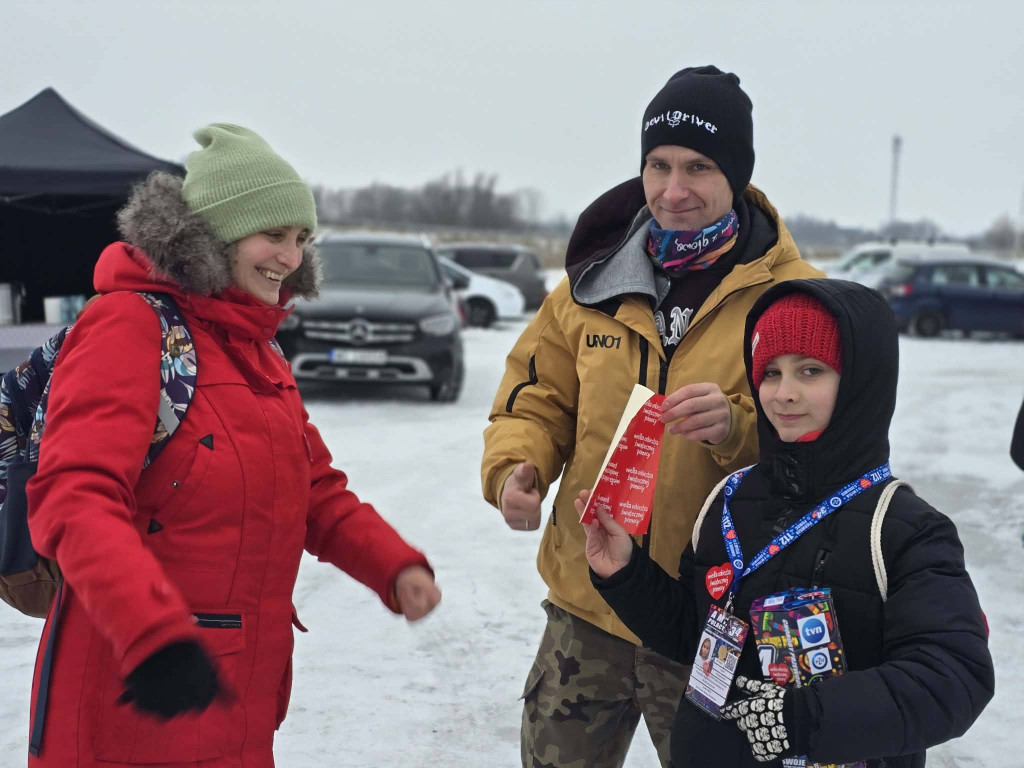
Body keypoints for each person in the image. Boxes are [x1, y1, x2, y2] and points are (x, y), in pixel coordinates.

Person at [24, 124, 441, 767]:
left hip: (234, 706)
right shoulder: (130, 326)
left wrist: (393, 565)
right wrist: (152, 631)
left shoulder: (255, 347)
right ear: (214, 237)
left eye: (301, 239)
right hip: (131, 698)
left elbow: (316, 491)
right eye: (273, 235)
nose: (291, 257)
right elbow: (74, 496)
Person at [481, 64, 821, 767]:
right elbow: (535, 398)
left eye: (698, 167)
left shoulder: (794, 297)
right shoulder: (590, 282)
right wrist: (518, 468)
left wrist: (737, 428)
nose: (673, 190)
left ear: (737, 173)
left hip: (714, 618)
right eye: (658, 165)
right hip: (588, 605)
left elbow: (830, 439)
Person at [584, 278, 994, 767]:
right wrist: (626, 573)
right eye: (771, 373)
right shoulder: (728, 500)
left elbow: (953, 676)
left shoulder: (902, 528)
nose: (784, 394)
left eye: (811, 371)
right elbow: (697, 635)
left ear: (862, 380)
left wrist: (803, 719)